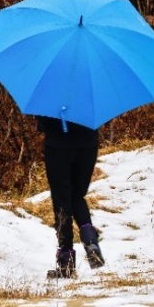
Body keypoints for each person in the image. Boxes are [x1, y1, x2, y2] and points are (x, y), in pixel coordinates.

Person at [36, 116, 105, 279]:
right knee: (77, 196)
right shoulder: (90, 91)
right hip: (88, 143)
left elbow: (43, 122)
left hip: (58, 144)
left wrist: (43, 125)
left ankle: (66, 262)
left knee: (62, 200)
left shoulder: (51, 90)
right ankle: (90, 239)